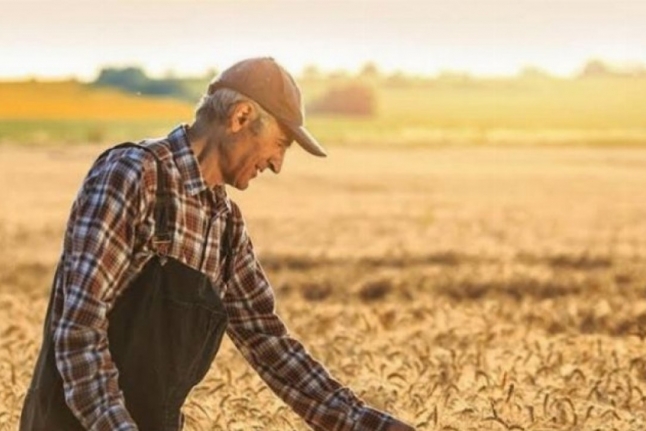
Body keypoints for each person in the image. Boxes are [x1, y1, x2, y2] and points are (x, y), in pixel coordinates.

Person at [20, 57, 414, 431]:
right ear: (241, 117)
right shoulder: (134, 175)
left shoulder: (225, 226)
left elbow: (268, 342)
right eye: (280, 143)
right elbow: (79, 333)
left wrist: (365, 423)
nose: (278, 164)